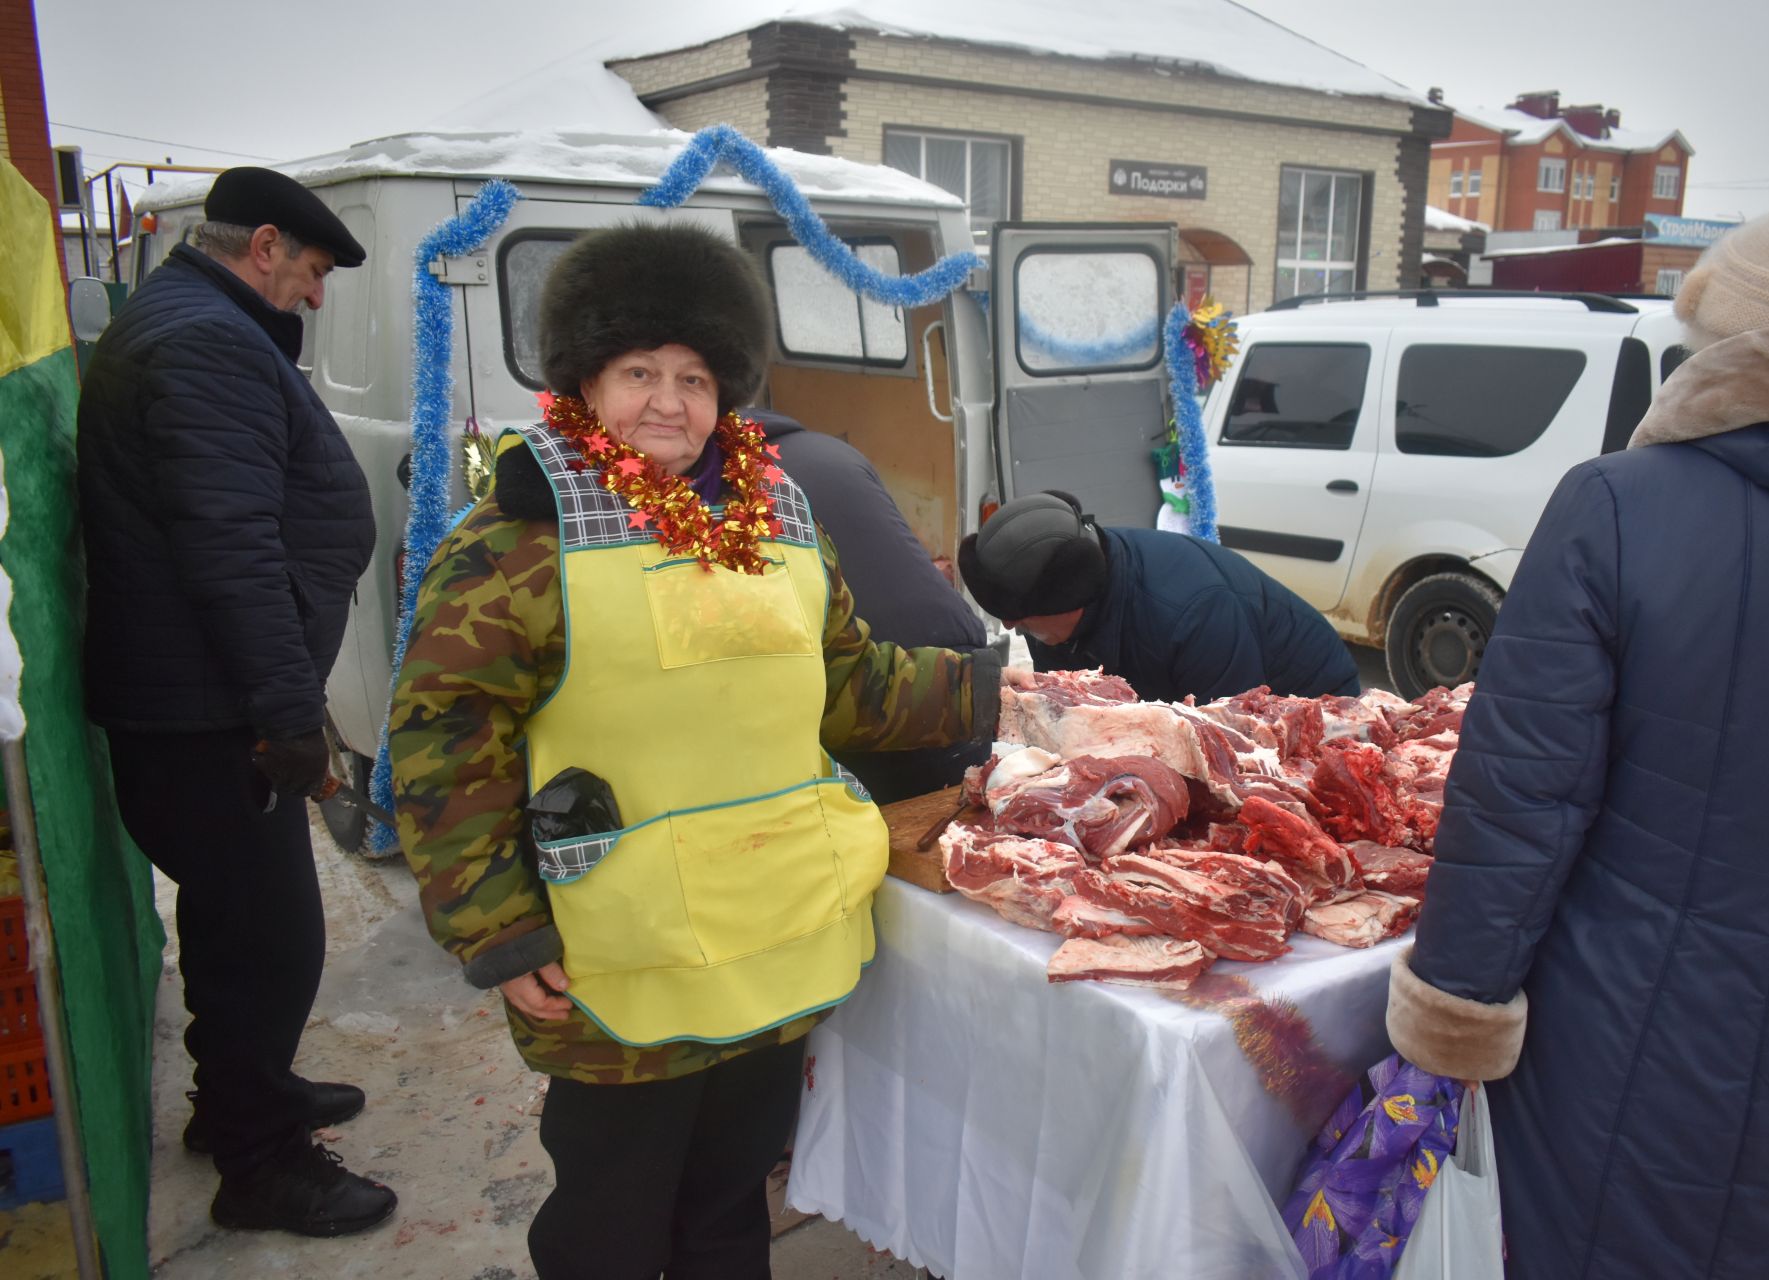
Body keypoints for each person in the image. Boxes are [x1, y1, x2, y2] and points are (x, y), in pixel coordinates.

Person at [387, 222, 1004, 1279]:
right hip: (618, 953)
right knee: (610, 1220)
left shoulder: (781, 513)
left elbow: (845, 682)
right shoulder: (514, 541)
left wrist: (999, 688)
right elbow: (445, 740)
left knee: (727, 1209)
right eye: (639, 372)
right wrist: (497, 926)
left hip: (774, 933)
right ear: (585, 381)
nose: (668, 401)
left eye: (694, 376)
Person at [1383, 199, 1769, 1280]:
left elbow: (1521, 797)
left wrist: (1454, 1008)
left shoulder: (1621, 505)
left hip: (1607, 1038)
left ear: (1733, 344)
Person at [75, 167, 392, 1234]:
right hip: (209, 708)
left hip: (194, 696)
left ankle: (235, 1098)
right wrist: (289, 710)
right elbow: (233, 545)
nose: (311, 295)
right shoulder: (205, 341)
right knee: (272, 937)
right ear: (263, 246)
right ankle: (262, 1163)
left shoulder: (188, 318)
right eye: (309, 272)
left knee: (230, 918)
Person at [755, 407, 992, 803]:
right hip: (952, 653)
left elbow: (839, 682)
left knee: (912, 835)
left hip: (890, 687)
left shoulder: (742, 485)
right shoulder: (830, 449)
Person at [958, 490, 1358, 702]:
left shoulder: (1193, 612)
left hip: (1308, 702)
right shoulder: (1052, 601)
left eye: (1023, 620)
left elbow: (1231, 748)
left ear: (1071, 598)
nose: (1014, 627)